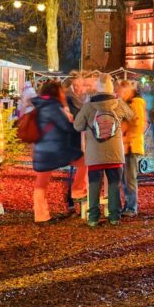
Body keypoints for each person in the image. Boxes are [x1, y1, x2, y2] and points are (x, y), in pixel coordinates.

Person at [73, 74, 133, 227]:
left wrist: (89, 124)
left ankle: (93, 218)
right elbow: (131, 117)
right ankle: (114, 217)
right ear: (111, 88)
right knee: (114, 185)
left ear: (97, 88)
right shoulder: (118, 104)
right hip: (115, 152)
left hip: (94, 153)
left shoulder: (89, 106)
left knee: (94, 185)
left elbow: (77, 126)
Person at [31, 80, 83, 224]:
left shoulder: (40, 105)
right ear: (56, 92)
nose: (63, 93)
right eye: (61, 91)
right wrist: (71, 121)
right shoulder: (53, 106)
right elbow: (65, 126)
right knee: (85, 161)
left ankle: (41, 216)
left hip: (41, 150)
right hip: (56, 150)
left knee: (41, 183)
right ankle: (78, 191)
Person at [118, 80, 146, 216]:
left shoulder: (136, 103)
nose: (121, 95)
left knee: (129, 178)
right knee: (126, 178)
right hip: (126, 144)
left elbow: (137, 123)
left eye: (123, 92)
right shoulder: (130, 103)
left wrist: (126, 135)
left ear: (129, 91)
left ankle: (131, 207)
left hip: (131, 145)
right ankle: (128, 205)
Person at [64, 72, 88, 212]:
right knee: (74, 169)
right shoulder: (69, 98)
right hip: (73, 136)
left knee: (78, 168)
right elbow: (75, 117)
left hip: (80, 136)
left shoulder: (83, 98)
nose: (79, 88)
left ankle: (74, 197)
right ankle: (72, 198)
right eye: (77, 85)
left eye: (81, 85)